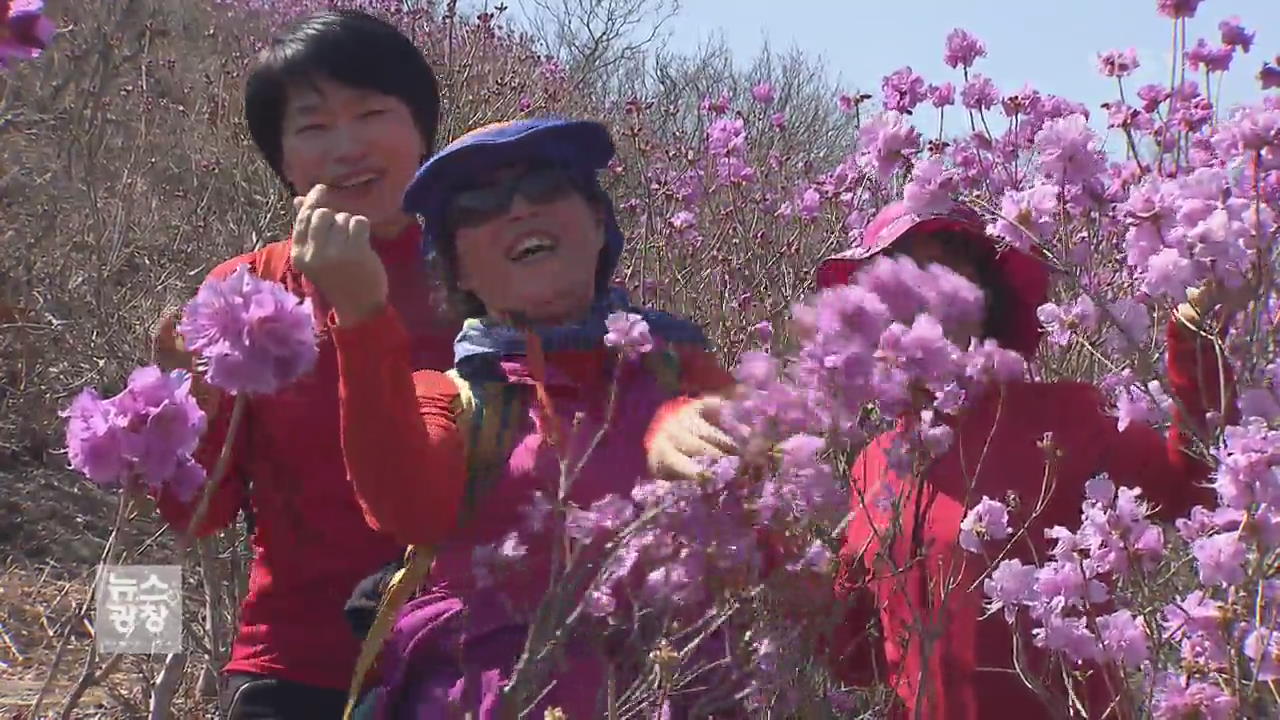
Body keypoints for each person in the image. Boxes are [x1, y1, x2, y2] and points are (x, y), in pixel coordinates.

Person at [649, 199, 1240, 718]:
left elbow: (1194, 491)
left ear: (982, 302)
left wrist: (1195, 353)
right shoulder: (874, 464)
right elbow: (860, 657)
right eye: (897, 280)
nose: (918, 301)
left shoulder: (1067, 420)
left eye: (944, 274)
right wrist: (761, 538)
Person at [290, 117, 737, 718]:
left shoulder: (681, 369)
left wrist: (687, 423)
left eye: (548, 184)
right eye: (480, 204)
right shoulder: (451, 395)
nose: (521, 208)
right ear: (460, 269)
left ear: (599, 223)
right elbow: (408, 506)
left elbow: (773, 509)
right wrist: (363, 314)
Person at [148, 10, 459, 719]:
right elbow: (197, 513)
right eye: (313, 127)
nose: (346, 147)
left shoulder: (484, 272)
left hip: (463, 663)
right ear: (283, 162)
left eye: (372, 113)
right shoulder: (247, 289)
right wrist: (184, 410)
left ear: (421, 130)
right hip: (291, 668)